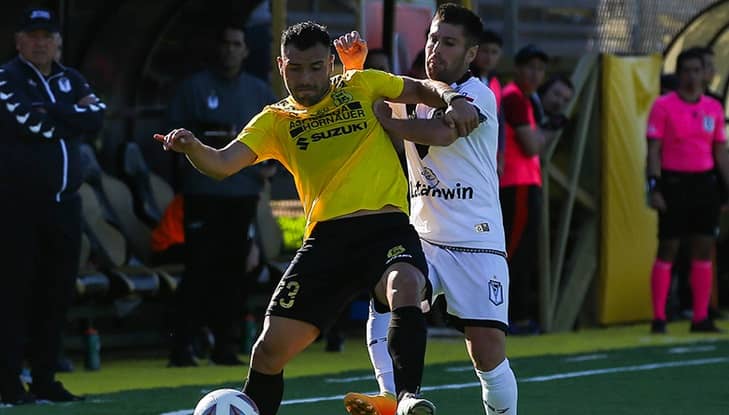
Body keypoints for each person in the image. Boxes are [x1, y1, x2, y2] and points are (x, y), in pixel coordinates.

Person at [154, 21, 479, 415]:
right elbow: (222, 164)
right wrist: (192, 147)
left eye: (314, 67)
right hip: (326, 241)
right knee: (269, 350)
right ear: (280, 65)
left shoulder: (361, 84)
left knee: (406, 285)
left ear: (330, 63)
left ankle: (406, 396)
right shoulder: (275, 120)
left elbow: (420, 87)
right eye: (294, 68)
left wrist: (453, 100)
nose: (304, 79)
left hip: (386, 228)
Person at [337, 4, 517, 415]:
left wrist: (392, 124)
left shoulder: (478, 95)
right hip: (422, 236)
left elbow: (439, 132)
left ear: (471, 54)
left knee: (487, 355)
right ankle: (393, 396)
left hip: (476, 240)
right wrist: (355, 67)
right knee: (394, 290)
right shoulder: (413, 89)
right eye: (433, 38)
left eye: (449, 43)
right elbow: (362, 100)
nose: (436, 48)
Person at [0, 7, 105, 404]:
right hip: (18, 208)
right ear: (19, 41)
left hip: (65, 206)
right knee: (14, 294)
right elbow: (31, 124)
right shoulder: (7, 80)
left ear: (58, 42)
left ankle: (46, 376)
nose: (41, 42)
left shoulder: (69, 78)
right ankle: (9, 380)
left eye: (48, 35)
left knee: (56, 294)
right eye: (33, 35)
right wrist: (71, 119)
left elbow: (96, 117)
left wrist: (61, 115)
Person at [166, 21, 278, 367]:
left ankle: (224, 346)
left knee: (234, 272)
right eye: (225, 43)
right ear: (217, 48)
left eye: (236, 44)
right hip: (203, 196)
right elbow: (172, 147)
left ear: (245, 50)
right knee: (198, 269)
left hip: (243, 196)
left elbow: (276, 141)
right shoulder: (193, 89)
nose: (230, 49)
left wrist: (269, 167)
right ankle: (182, 345)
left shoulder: (259, 93)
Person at [646, 48, 729, 334]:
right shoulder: (663, 106)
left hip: (705, 185)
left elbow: (720, 152)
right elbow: (654, 150)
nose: (693, 76)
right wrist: (653, 185)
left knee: (704, 250)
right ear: (679, 74)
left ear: (704, 74)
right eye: (687, 71)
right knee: (668, 247)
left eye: (697, 70)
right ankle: (659, 318)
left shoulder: (714, 108)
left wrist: (726, 187)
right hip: (674, 183)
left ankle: (701, 317)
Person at [499, 44, 552, 334]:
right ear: (517, 68)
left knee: (522, 251)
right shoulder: (515, 98)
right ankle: (508, 315)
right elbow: (531, 145)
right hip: (515, 183)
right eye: (530, 67)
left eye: (540, 69)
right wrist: (548, 132)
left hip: (524, 182)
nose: (535, 74)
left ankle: (514, 314)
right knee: (513, 251)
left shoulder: (527, 99)